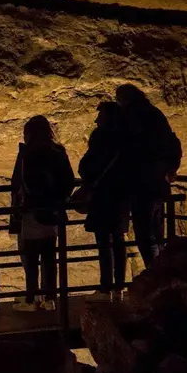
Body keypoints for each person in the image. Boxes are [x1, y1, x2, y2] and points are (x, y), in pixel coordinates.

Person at [10, 115, 75, 312]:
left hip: (32, 209)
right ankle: (49, 298)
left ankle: (31, 298)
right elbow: (69, 181)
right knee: (49, 256)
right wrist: (57, 200)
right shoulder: (58, 152)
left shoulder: (27, 154)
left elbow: (17, 182)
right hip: (52, 210)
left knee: (30, 257)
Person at [115, 84, 182, 268]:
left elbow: (127, 149)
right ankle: (159, 268)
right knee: (155, 227)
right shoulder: (154, 114)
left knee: (144, 229)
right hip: (157, 180)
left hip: (141, 181)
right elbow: (173, 143)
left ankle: (153, 269)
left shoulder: (131, 117)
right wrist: (170, 167)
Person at [78, 101, 131, 301]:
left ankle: (106, 287)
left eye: (100, 116)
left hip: (103, 194)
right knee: (118, 239)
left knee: (104, 242)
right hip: (121, 195)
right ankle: (119, 287)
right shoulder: (125, 138)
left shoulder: (101, 137)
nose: (96, 120)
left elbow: (88, 165)